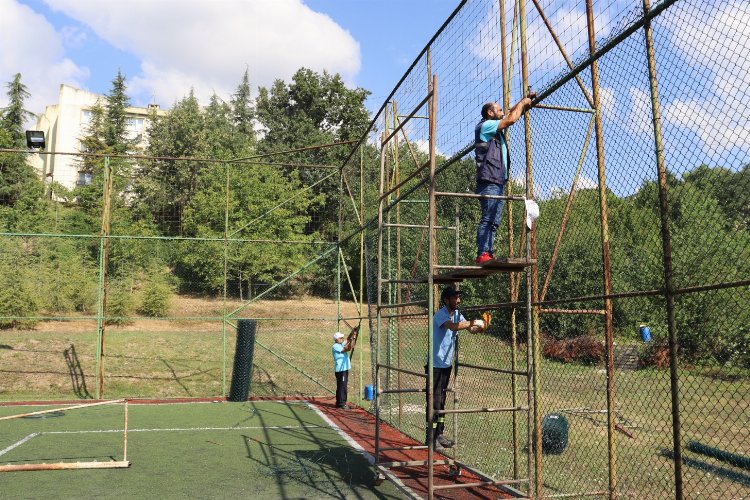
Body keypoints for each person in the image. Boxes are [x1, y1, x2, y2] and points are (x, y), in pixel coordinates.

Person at [474, 92, 536, 264]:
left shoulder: (495, 128)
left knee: (495, 219)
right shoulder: (486, 126)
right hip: (489, 180)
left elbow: (509, 116)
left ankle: (488, 253)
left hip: (497, 180)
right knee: (488, 217)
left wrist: (524, 101)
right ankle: (483, 253)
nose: (502, 111)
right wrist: (523, 102)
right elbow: (510, 119)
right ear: (490, 113)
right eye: (499, 109)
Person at [427, 286, 484, 452]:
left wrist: (481, 326)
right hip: (434, 365)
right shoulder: (440, 315)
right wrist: (472, 322)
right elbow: (452, 326)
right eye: (455, 297)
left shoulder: (458, 314)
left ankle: (440, 434)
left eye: (459, 297)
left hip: (446, 364)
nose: (458, 300)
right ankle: (431, 437)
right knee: (434, 401)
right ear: (446, 300)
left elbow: (470, 329)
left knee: (442, 401)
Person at [332, 329, 357, 409]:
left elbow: (348, 339)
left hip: (344, 369)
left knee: (341, 385)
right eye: (341, 338)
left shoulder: (340, 344)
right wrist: (353, 339)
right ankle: (342, 404)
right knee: (342, 386)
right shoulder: (336, 346)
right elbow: (348, 348)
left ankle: (339, 403)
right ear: (337, 339)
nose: (342, 339)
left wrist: (353, 332)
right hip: (341, 369)